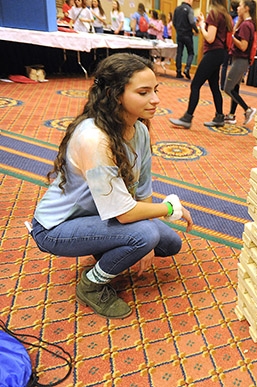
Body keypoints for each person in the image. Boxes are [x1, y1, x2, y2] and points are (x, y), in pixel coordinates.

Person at [28, 53, 194, 320]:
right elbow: (125, 214)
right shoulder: (95, 138)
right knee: (144, 235)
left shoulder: (138, 129)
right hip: (56, 227)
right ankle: (91, 285)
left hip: (100, 213)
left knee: (169, 243)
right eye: (143, 92)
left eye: (155, 90)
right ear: (115, 94)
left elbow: (142, 189)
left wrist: (151, 230)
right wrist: (170, 208)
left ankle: (107, 245)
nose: (156, 99)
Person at [169, 0, 232, 129]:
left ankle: (188, 117)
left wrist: (202, 25)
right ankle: (219, 116)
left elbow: (210, 38)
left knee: (196, 84)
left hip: (213, 52)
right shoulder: (224, 14)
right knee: (214, 85)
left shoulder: (214, 13)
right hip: (220, 53)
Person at [223, 0, 257, 126]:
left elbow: (243, 46)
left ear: (247, 8)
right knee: (235, 88)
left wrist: (232, 37)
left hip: (241, 59)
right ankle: (231, 115)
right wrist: (237, 23)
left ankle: (247, 109)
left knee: (228, 88)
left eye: (241, 6)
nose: (238, 8)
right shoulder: (246, 23)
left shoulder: (246, 25)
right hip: (240, 60)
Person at [173, 0, 199, 79]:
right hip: (187, 34)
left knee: (179, 53)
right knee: (191, 53)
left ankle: (178, 71)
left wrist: (178, 30)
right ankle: (187, 69)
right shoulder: (189, 9)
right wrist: (196, 30)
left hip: (179, 34)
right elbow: (191, 21)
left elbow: (174, 22)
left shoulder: (177, 9)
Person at [220, 0, 239, 90]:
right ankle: (230, 85)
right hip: (234, 43)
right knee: (233, 66)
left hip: (226, 43)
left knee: (224, 65)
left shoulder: (227, 16)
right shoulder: (238, 19)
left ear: (231, 7)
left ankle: (222, 85)